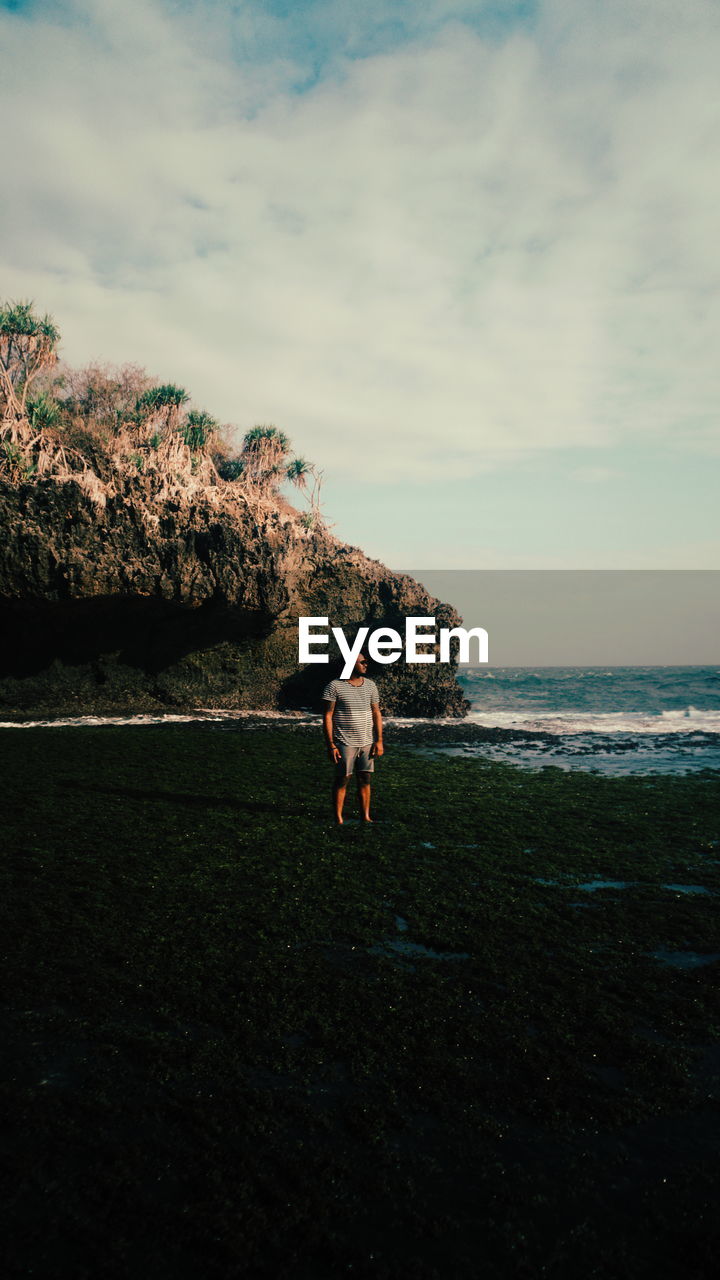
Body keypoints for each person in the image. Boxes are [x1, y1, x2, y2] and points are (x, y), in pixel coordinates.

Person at [322, 652, 384, 825]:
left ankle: (365, 817)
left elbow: (376, 713)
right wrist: (331, 745)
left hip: (367, 741)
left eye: (366, 662)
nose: (366, 664)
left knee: (365, 779)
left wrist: (379, 740)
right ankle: (338, 819)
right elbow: (328, 716)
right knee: (343, 779)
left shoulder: (370, 685)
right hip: (344, 742)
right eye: (362, 662)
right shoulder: (334, 686)